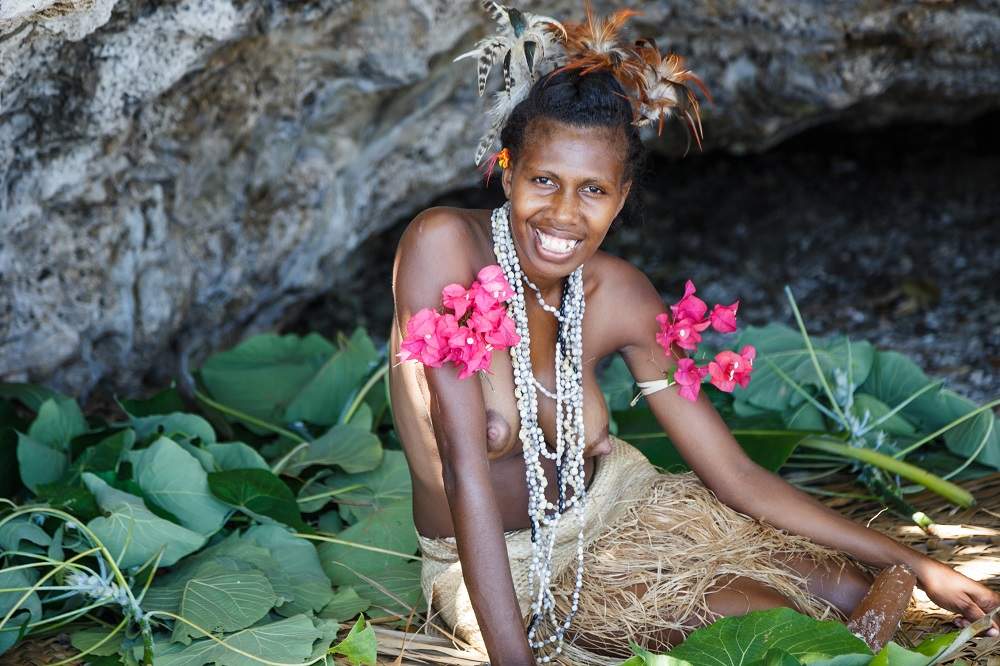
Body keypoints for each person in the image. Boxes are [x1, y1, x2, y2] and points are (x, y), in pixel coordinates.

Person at [388, 5, 999, 665]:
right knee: (774, 626)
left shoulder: (619, 294)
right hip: (511, 567)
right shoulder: (442, 246)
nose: (563, 213)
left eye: (592, 190)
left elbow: (733, 473)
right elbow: (464, 468)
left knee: (852, 591)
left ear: (622, 197)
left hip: (626, 511)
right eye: (543, 181)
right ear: (507, 172)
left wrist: (918, 563)